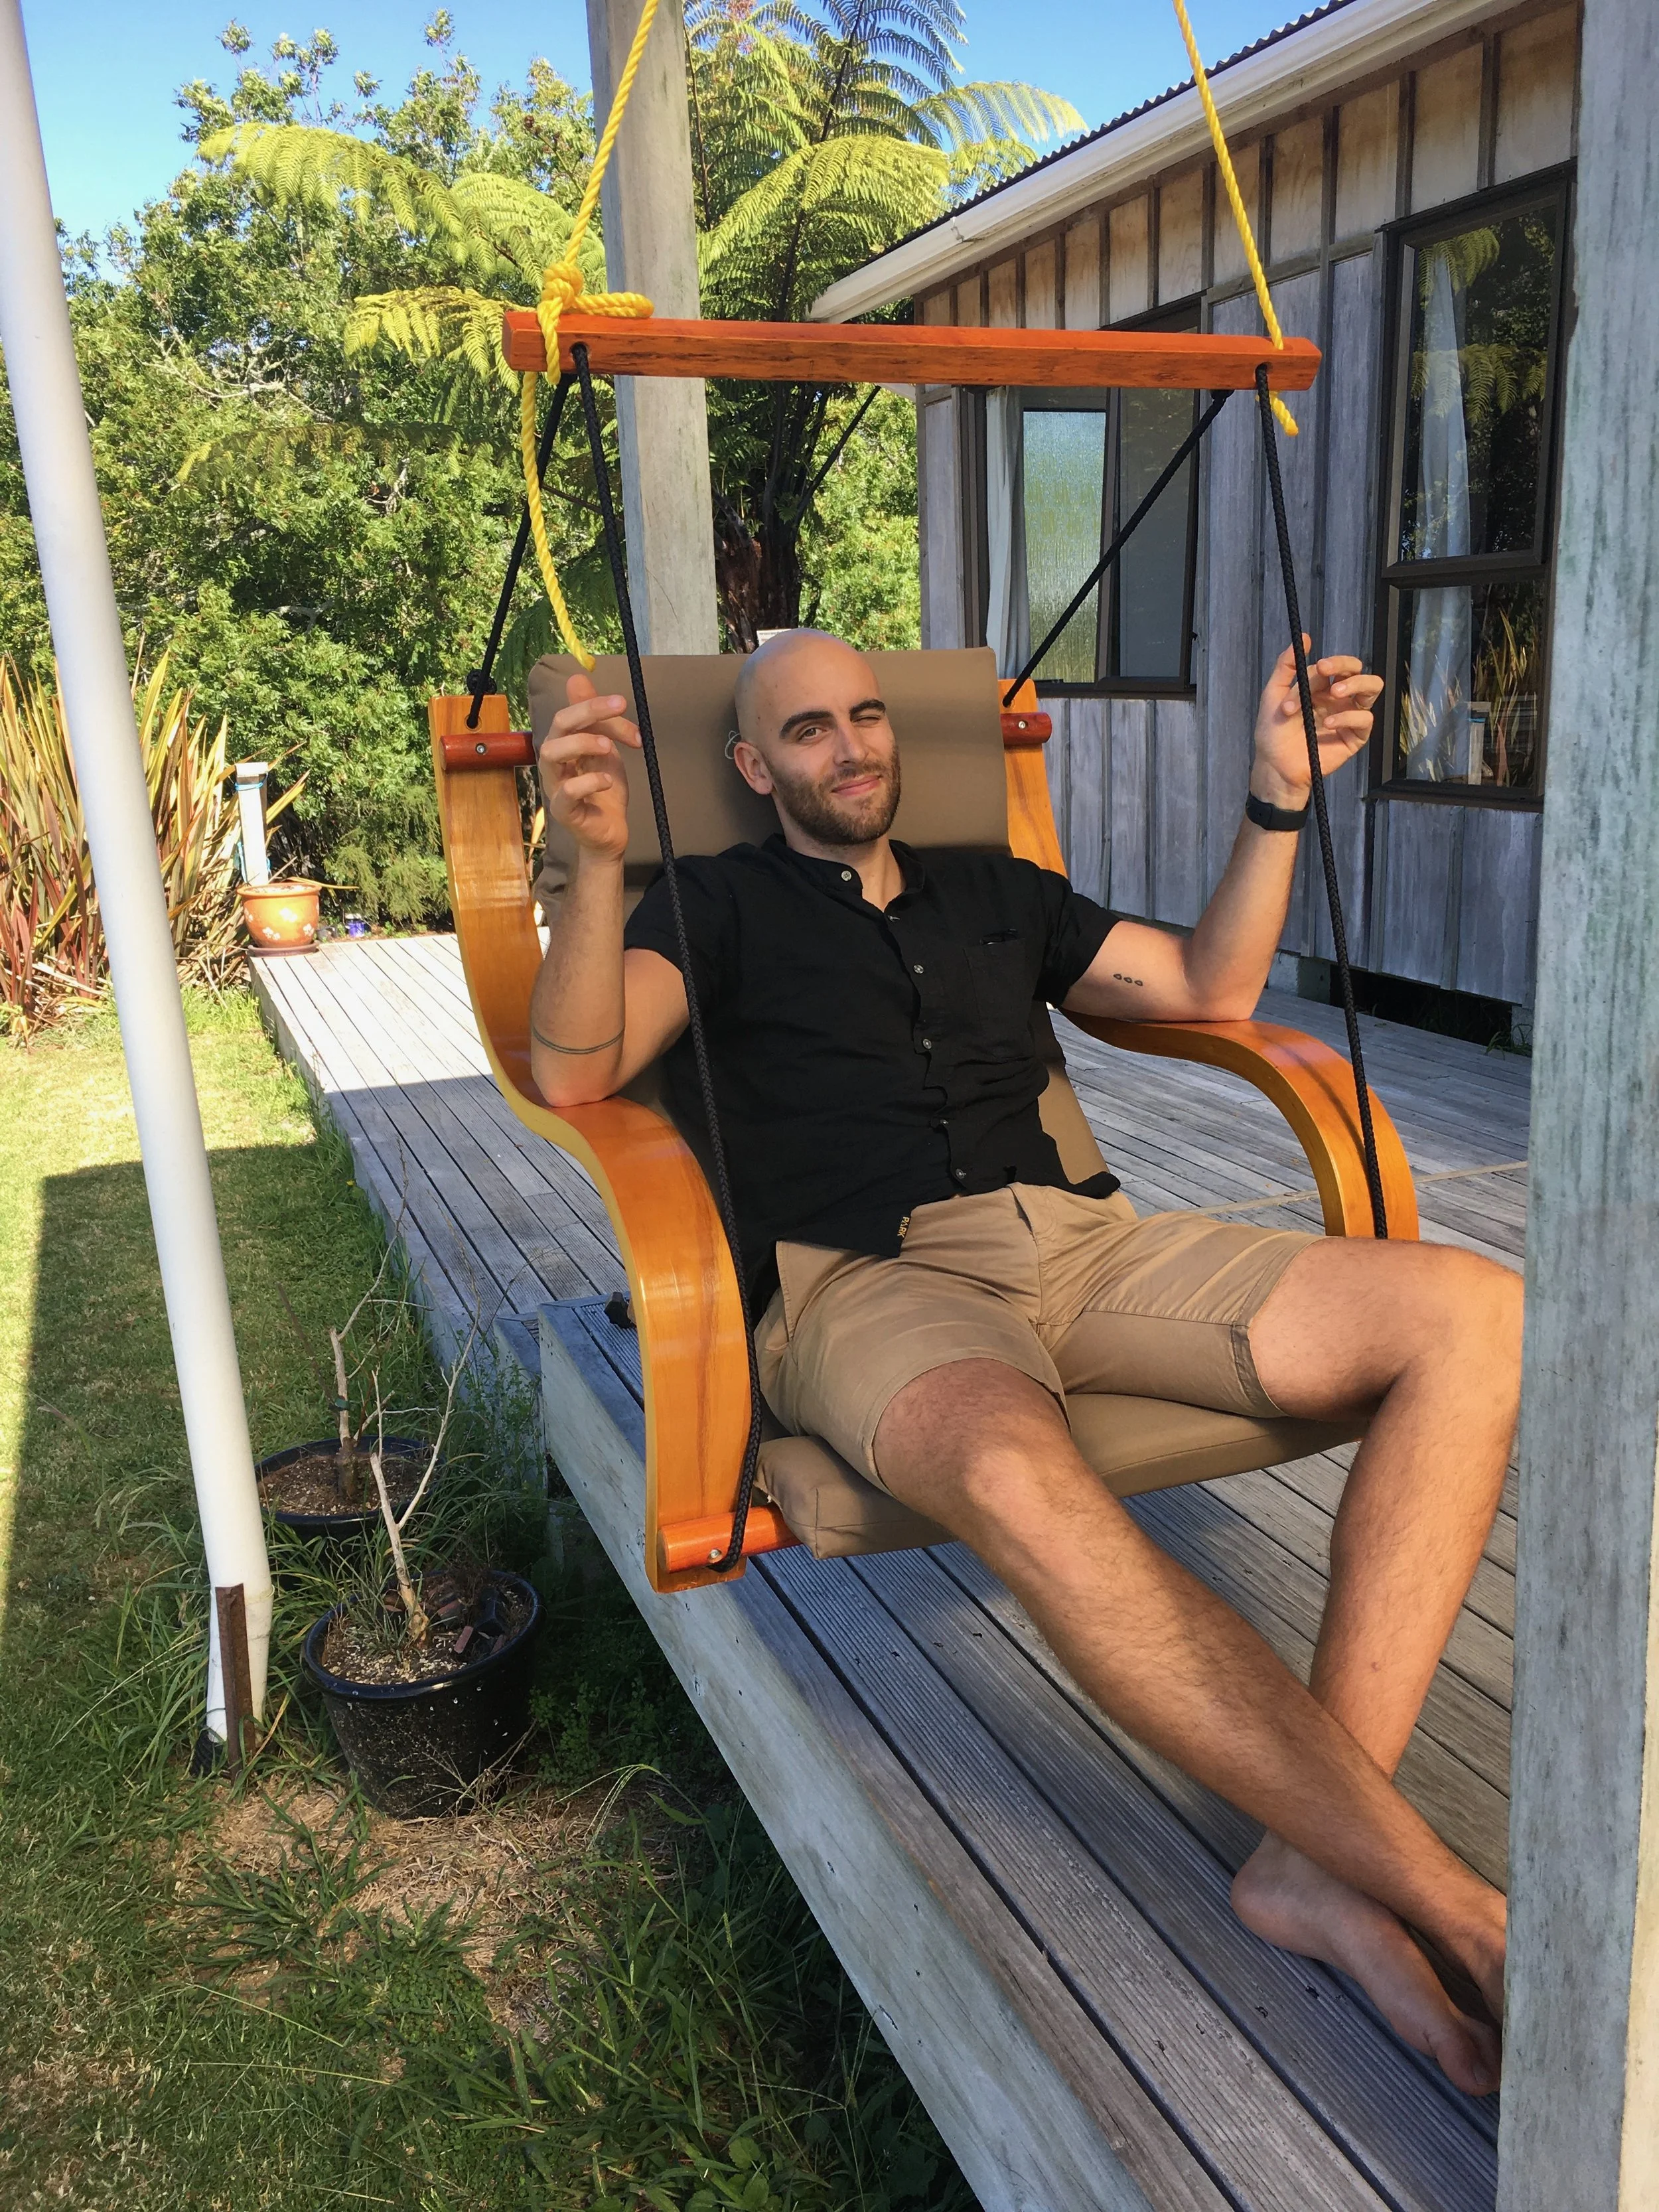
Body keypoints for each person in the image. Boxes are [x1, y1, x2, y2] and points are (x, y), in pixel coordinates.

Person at [528, 628, 1518, 2097]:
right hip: (869, 1279)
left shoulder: (991, 890)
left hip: (1083, 1242)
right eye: (806, 731)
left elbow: (1202, 985)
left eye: (864, 716)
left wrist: (1273, 798)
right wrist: (597, 864)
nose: (849, 746)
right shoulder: (708, 905)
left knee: (1471, 1310)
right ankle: (1453, 1905)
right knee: (1013, 1467)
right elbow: (577, 1070)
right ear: (751, 766)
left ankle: (1310, 1867)